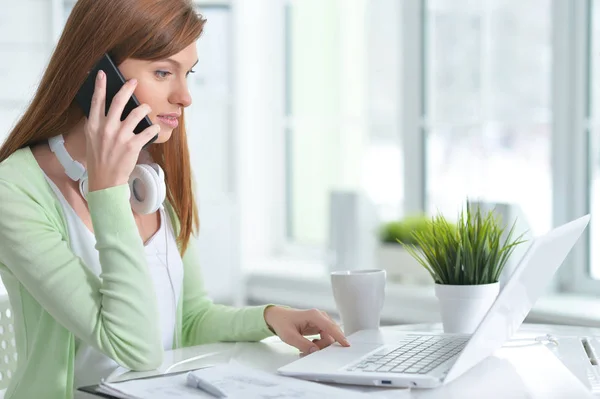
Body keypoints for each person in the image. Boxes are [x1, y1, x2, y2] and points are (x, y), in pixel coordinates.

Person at [0, 1, 348, 398]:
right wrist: (106, 191)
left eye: (188, 74)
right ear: (99, 75)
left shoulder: (150, 176)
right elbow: (137, 348)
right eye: (163, 72)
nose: (184, 96)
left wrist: (269, 318)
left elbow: (189, 319)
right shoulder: (14, 191)